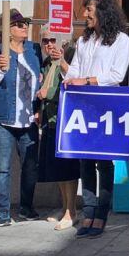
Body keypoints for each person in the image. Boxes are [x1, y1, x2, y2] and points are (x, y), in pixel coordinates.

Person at [66, 0, 129, 238]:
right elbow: (75, 68)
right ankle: (88, 212)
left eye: (90, 10)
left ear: (103, 12)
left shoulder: (121, 40)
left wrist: (87, 80)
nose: (85, 15)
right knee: (85, 161)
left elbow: (116, 75)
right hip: (84, 105)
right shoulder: (84, 40)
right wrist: (69, 79)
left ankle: (101, 214)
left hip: (106, 105)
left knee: (103, 162)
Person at [0, 8, 42, 227]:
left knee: (30, 165)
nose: (24, 27)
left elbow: (41, 79)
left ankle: (26, 207)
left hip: (28, 119)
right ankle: (4, 212)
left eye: (25, 23)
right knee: (2, 167)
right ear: (6, 30)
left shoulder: (34, 51)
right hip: (3, 119)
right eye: (18, 24)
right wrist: (0, 71)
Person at [35, 34, 80, 231]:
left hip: (67, 119)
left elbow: (73, 81)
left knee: (68, 168)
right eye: (45, 41)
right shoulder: (46, 62)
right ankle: (65, 207)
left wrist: (50, 91)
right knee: (58, 168)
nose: (49, 44)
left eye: (53, 40)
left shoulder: (71, 56)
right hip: (50, 118)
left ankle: (72, 210)